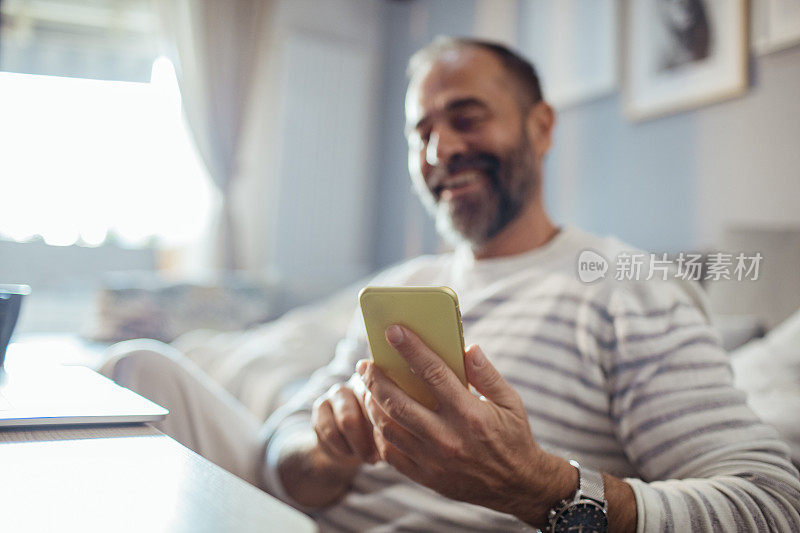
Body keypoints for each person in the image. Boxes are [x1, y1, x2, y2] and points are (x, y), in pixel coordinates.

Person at [102, 38, 800, 531]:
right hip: (302, 516)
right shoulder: (406, 286)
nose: (441, 151)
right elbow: (279, 447)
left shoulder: (626, 285)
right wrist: (327, 452)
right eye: (421, 133)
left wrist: (540, 486)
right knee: (137, 370)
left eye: (466, 117)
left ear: (542, 125)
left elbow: (770, 503)